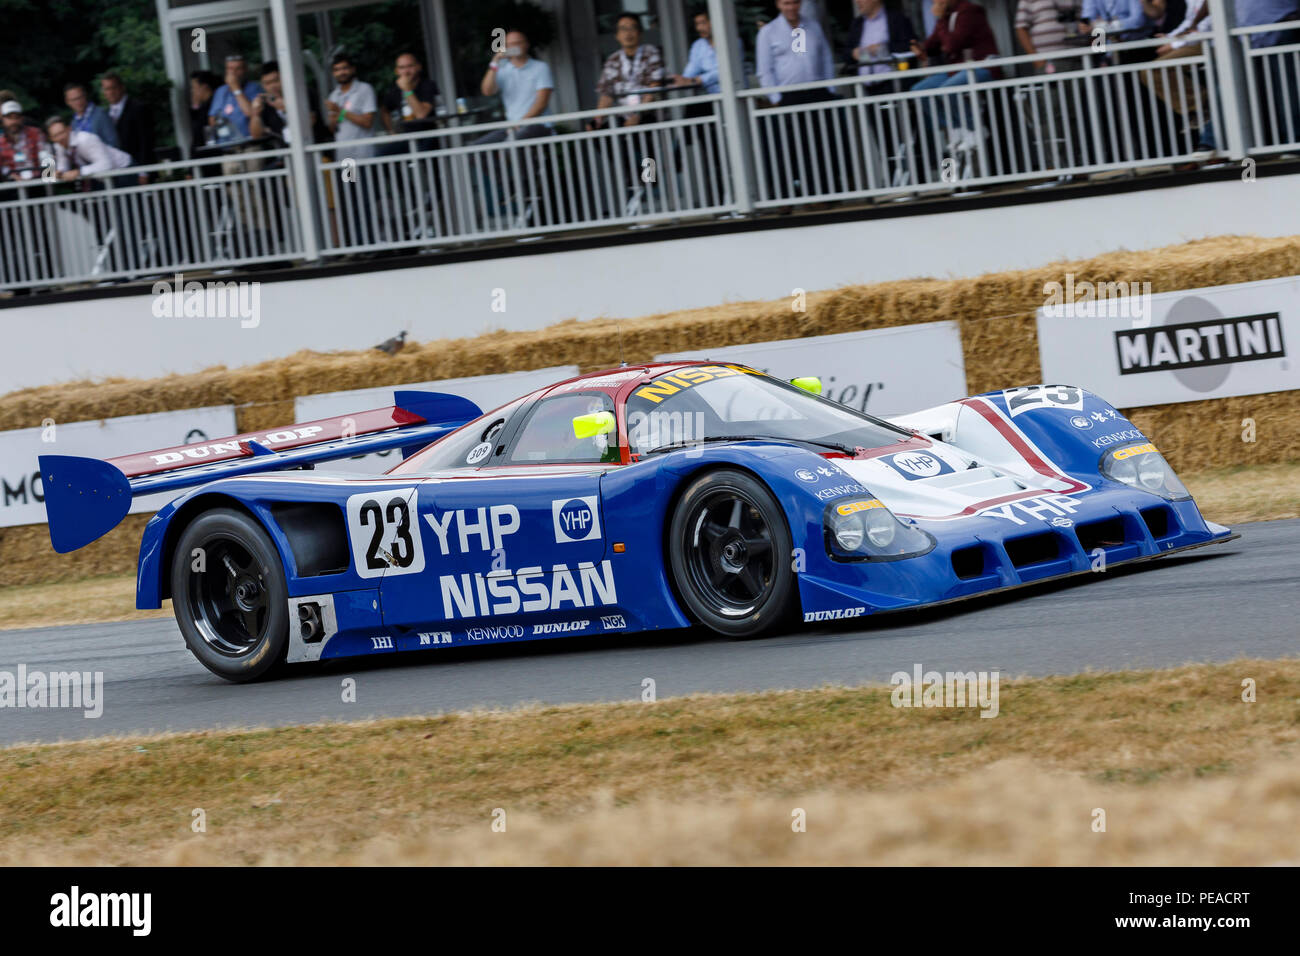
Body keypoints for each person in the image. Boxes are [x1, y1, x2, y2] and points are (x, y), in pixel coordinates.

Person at [909, 0, 1002, 154]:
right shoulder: (947, 16)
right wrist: (919, 47)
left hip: (982, 66)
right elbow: (933, 45)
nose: (936, 3)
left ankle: (975, 128)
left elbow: (952, 44)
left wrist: (940, 20)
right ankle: (955, 127)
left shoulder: (969, 11)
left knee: (949, 89)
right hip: (957, 70)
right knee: (919, 91)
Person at [478, 28, 555, 142]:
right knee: (479, 147)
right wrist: (495, 61)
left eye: (518, 43)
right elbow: (487, 91)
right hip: (513, 127)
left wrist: (520, 124)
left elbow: (541, 103)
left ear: (526, 45)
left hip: (538, 125)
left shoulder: (540, 67)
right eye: (510, 44)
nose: (515, 46)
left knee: (511, 146)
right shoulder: (502, 69)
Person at [592, 12, 666, 128]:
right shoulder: (613, 60)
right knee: (601, 134)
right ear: (616, 35)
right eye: (623, 29)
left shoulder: (651, 53)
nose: (628, 33)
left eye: (632, 28)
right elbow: (606, 95)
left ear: (640, 33)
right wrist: (597, 120)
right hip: (623, 115)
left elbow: (654, 87)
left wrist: (638, 115)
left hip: (648, 113)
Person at [756, 0, 836, 103]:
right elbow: (764, 70)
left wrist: (830, 88)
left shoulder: (814, 26)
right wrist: (776, 99)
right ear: (778, 4)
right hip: (788, 95)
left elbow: (826, 59)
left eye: (795, 2)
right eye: (786, 3)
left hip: (819, 91)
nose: (791, 7)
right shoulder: (768, 32)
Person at [44, 116, 132, 182]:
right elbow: (63, 166)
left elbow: (106, 164)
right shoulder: (59, 146)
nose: (60, 138)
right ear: (51, 138)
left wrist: (79, 172)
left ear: (68, 129)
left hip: (124, 170)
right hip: (105, 178)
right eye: (55, 136)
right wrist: (59, 172)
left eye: (61, 133)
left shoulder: (86, 139)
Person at [101, 72, 153, 181]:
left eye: (113, 88)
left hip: (138, 170)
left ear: (122, 88)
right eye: (106, 89)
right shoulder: (105, 113)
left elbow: (146, 141)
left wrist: (144, 171)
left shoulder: (138, 108)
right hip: (118, 173)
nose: (110, 92)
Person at [845, 0, 919, 76]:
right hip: (863, 85)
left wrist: (884, 48)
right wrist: (853, 53)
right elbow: (846, 53)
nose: (857, 1)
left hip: (894, 82)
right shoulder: (857, 24)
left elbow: (911, 46)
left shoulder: (896, 18)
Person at [325, 52, 377, 160]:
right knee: (349, 178)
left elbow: (367, 123)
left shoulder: (364, 89)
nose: (341, 72)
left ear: (353, 69)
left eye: (344, 68)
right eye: (337, 70)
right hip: (344, 155)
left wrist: (340, 110)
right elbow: (332, 129)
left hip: (364, 153)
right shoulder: (333, 95)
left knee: (365, 177)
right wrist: (333, 120)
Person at [381, 51, 440, 137]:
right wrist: (391, 132)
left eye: (410, 66)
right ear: (397, 71)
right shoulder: (394, 89)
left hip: (428, 135)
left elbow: (421, 115)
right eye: (402, 67)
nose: (406, 71)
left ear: (419, 67)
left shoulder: (428, 85)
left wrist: (407, 89)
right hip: (404, 136)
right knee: (383, 151)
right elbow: (385, 111)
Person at [208, 54, 263, 141]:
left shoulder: (254, 88)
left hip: (250, 143)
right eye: (230, 69)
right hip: (227, 146)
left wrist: (236, 88)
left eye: (238, 69)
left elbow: (251, 113)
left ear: (245, 70)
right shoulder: (221, 91)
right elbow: (212, 119)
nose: (233, 72)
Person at [1, 100, 48, 181]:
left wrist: (48, 178)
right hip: (13, 183)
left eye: (16, 117)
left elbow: (46, 155)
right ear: (3, 119)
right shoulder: (1, 141)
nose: (13, 121)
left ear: (21, 118)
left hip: (38, 180)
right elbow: (2, 166)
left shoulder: (36, 133)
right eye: (9, 118)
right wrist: (11, 175)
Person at [64, 82, 118, 148]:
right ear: (67, 102)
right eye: (74, 99)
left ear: (85, 95)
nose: (78, 102)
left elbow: (114, 143)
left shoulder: (100, 114)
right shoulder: (74, 123)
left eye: (80, 97)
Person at [188, 70, 219, 153]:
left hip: (211, 152)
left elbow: (201, 129)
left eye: (194, 87)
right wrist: (195, 105)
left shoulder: (215, 105)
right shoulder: (201, 106)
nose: (192, 91)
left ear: (204, 87)